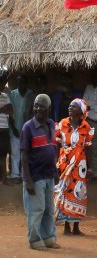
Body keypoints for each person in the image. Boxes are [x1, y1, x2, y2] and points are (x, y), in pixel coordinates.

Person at [21, 94, 60, 251]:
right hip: (35, 176)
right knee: (36, 210)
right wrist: (28, 180)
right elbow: (24, 155)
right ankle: (35, 240)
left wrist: (56, 172)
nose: (37, 108)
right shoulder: (28, 127)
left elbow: (53, 149)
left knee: (49, 210)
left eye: (41, 106)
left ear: (49, 109)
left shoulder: (51, 125)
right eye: (36, 105)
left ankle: (49, 238)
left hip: (49, 175)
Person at [54, 98, 94, 235]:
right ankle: (66, 226)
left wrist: (90, 168)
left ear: (81, 111)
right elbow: (56, 144)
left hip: (80, 166)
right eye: (70, 106)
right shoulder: (62, 124)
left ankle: (76, 227)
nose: (70, 108)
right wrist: (56, 163)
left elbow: (88, 149)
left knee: (79, 193)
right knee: (65, 192)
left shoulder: (86, 127)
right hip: (65, 164)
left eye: (74, 106)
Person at [9, 75, 34, 184]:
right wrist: (13, 126)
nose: (21, 85)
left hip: (28, 129)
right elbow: (10, 112)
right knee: (15, 152)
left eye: (23, 82)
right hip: (14, 127)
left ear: (26, 83)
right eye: (19, 83)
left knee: (26, 152)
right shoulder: (12, 94)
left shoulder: (30, 94)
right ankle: (15, 174)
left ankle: (25, 174)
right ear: (16, 83)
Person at [83, 69, 97, 182]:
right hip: (91, 121)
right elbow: (84, 103)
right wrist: (92, 105)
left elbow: (89, 105)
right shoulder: (88, 88)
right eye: (93, 76)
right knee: (92, 148)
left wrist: (92, 105)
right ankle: (94, 173)